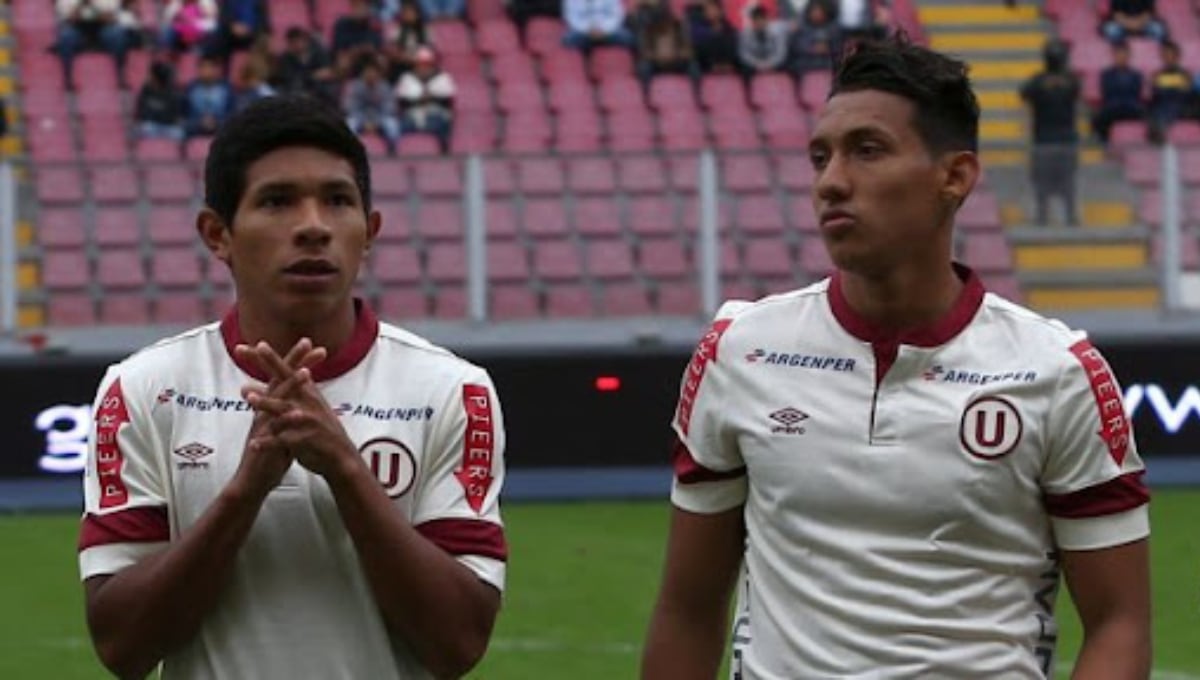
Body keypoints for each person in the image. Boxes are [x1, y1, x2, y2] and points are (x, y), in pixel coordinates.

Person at [642, 36, 1150, 679]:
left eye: (868, 151)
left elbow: (1120, 624)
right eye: (820, 157)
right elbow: (688, 608)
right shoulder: (741, 350)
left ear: (955, 177)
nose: (831, 182)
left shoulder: (1057, 371)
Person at [77, 95, 507, 679]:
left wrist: (346, 470)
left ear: (370, 230)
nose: (313, 227)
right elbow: (122, 646)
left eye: (337, 201)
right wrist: (245, 490)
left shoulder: (453, 391)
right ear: (217, 234)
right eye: (277, 201)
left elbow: (457, 643)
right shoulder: (144, 388)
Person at [1020, 38, 1081, 226]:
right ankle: (1069, 218)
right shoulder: (1071, 81)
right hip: (1065, 141)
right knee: (1067, 184)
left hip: (1043, 142)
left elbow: (1024, 94)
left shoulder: (1037, 82)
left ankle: (1042, 218)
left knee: (1042, 185)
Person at [54, 0, 136, 90]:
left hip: (103, 28)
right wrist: (82, 4)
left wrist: (93, 6)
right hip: (77, 29)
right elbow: (70, 19)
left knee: (118, 34)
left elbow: (110, 18)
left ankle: (121, 76)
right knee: (66, 36)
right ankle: (68, 80)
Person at [396, 46, 455, 152]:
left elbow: (448, 101)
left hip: (435, 113)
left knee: (441, 125)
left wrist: (431, 98)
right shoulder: (407, 78)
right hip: (412, 115)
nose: (424, 68)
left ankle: (444, 153)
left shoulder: (442, 78)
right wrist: (420, 100)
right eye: (420, 64)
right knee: (400, 126)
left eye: (427, 64)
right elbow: (402, 102)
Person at [635, 2, 700, 93]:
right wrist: (658, 58)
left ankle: (698, 97)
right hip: (656, 62)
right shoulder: (648, 28)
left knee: (693, 65)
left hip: (676, 60)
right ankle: (647, 98)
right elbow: (644, 51)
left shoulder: (678, 25)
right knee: (643, 67)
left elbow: (687, 48)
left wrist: (677, 55)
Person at [1091, 40, 1145, 144]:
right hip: (1112, 107)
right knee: (1099, 117)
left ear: (1129, 55)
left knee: (1146, 115)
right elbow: (1107, 93)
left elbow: (1136, 93)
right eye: (1119, 53)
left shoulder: (1136, 75)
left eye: (1124, 53)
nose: (1122, 57)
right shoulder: (1106, 75)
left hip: (1131, 107)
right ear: (1114, 55)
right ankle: (1103, 143)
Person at [344, 55, 402, 151]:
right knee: (349, 124)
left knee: (392, 125)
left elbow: (389, 108)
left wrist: (376, 123)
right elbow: (351, 108)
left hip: (380, 117)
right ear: (362, 73)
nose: (370, 74)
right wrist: (365, 122)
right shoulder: (355, 86)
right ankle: (349, 151)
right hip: (360, 117)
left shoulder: (384, 87)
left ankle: (393, 150)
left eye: (373, 72)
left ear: (378, 74)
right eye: (368, 71)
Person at [271, 26, 338, 105]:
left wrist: (310, 77)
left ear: (306, 40)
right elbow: (290, 78)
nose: (297, 45)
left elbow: (327, 72)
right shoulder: (286, 58)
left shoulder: (319, 52)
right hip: (296, 91)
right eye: (293, 42)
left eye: (299, 41)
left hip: (319, 90)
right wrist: (312, 75)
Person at [1148, 39, 1193, 142]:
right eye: (1165, 54)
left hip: (1183, 106)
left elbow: (1187, 93)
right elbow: (1156, 94)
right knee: (1158, 110)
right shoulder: (1157, 75)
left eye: (1171, 54)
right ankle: (1158, 132)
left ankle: (1159, 130)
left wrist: (1171, 87)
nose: (1168, 57)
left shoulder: (1186, 74)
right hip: (1163, 106)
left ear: (1177, 56)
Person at [184, 54, 234, 137]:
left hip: (220, 127)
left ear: (215, 70)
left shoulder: (227, 89)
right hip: (195, 128)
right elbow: (186, 114)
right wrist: (199, 122)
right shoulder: (191, 88)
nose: (205, 71)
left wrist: (216, 122)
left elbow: (231, 113)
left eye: (208, 67)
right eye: (202, 67)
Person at [787, 0, 841, 77]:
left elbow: (838, 48)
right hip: (805, 65)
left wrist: (828, 48)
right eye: (814, 11)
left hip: (827, 65)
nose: (817, 14)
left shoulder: (834, 29)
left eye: (820, 11)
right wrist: (812, 48)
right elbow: (795, 47)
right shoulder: (801, 28)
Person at [135, 60, 186, 140]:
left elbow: (173, 116)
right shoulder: (146, 90)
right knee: (144, 128)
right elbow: (141, 112)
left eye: (151, 75)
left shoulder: (173, 92)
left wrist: (156, 113)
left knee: (179, 133)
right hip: (151, 125)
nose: (149, 77)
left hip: (167, 127)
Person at [331, 0, 384, 76]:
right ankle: (342, 85)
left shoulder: (373, 24)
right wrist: (358, 50)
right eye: (356, 6)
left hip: (369, 59)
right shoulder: (342, 24)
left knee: (382, 60)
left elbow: (378, 46)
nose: (359, 10)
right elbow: (339, 50)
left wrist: (371, 50)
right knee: (343, 62)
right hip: (350, 58)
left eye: (362, 6)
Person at [688, 0, 739, 75]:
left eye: (713, 9)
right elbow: (698, 48)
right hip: (707, 67)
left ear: (720, 11)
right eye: (707, 10)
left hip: (728, 66)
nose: (710, 12)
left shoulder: (729, 28)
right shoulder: (700, 27)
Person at [561, 0, 636, 52]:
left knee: (627, 37)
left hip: (607, 31)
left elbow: (617, 15)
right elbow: (571, 17)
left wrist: (603, 29)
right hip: (584, 32)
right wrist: (588, 29)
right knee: (569, 40)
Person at [383, 1, 429, 81]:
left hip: (419, 64)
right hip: (401, 64)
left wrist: (413, 57)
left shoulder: (425, 31)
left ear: (417, 14)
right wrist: (400, 55)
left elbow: (428, 51)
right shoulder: (398, 30)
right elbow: (392, 49)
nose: (408, 15)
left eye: (411, 13)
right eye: (405, 13)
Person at [738, 5, 789, 76]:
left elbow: (780, 53)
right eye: (755, 19)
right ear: (752, 21)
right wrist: (757, 65)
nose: (759, 22)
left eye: (761, 19)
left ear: (767, 19)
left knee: (786, 65)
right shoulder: (746, 34)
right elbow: (744, 54)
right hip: (754, 66)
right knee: (743, 68)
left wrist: (770, 64)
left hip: (774, 64)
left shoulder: (777, 32)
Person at [1100, 0, 1167, 44]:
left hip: (1143, 25)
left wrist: (1137, 24)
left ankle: (1153, 47)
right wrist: (1131, 24)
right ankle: (1120, 45)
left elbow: (1148, 13)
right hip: (1123, 26)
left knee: (1158, 28)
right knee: (1110, 28)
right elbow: (1117, 15)